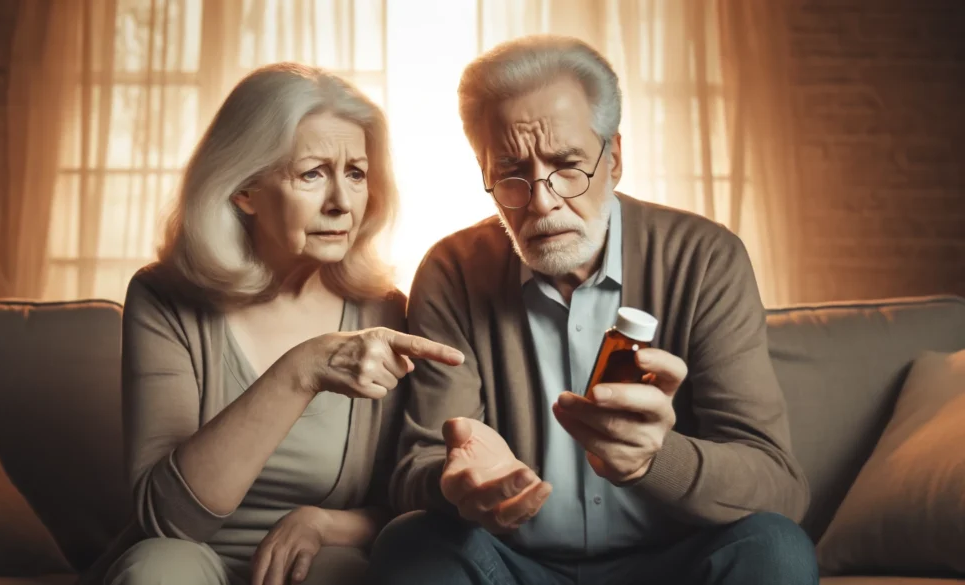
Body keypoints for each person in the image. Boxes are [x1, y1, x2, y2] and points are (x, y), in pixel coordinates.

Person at [368, 35, 818, 585]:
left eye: (567, 165)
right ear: (485, 174)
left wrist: (655, 460)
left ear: (616, 158)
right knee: (409, 545)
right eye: (510, 172)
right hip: (515, 566)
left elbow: (778, 484)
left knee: (776, 547)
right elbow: (413, 469)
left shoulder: (705, 257)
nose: (541, 200)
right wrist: (457, 480)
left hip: (675, 565)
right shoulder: (451, 270)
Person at [86, 63, 464, 585]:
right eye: (312, 173)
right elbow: (169, 518)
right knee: (160, 570)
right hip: (183, 556)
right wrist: (302, 370)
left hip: (319, 556)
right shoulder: (164, 298)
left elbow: (401, 501)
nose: (341, 202)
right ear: (245, 190)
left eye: (355, 172)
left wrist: (323, 523)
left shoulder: (383, 310)